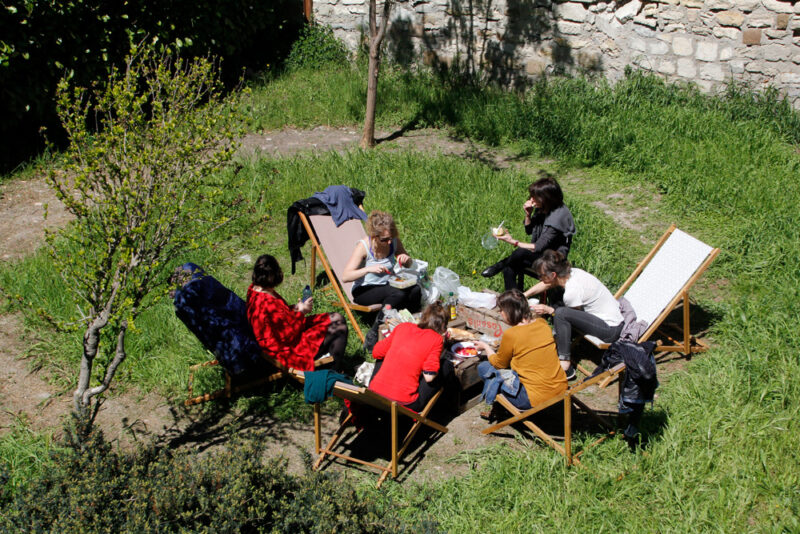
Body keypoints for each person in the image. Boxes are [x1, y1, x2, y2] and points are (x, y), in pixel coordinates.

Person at [524, 250, 624, 380]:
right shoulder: (572, 273)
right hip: (611, 318)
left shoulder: (571, 292)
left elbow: (572, 316)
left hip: (610, 329)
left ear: (553, 275)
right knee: (559, 308)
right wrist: (525, 295)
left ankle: (565, 366)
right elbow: (546, 284)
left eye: (541, 276)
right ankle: (558, 347)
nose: (540, 279)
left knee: (560, 313)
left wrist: (549, 310)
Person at [246, 254, 348, 372]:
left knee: (335, 317)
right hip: (286, 350)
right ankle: (332, 373)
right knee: (339, 327)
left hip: (289, 334)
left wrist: (295, 308)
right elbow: (286, 335)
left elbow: (279, 319)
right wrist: (301, 312)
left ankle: (330, 364)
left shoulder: (256, 290)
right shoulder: (265, 303)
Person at [475, 289, 567, 415]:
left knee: (484, 367)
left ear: (509, 311)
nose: (500, 313)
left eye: (501, 310)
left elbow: (499, 364)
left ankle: (502, 407)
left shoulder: (511, 334)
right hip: (560, 389)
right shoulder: (542, 323)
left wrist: (486, 347)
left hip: (532, 399)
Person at [481, 172, 576, 291]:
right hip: (541, 253)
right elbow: (529, 230)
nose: (531, 200)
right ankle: (514, 301)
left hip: (553, 259)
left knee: (520, 252)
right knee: (509, 268)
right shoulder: (543, 208)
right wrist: (528, 214)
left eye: (534, 197)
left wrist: (513, 241)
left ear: (546, 198)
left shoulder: (557, 218)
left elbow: (537, 247)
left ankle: (500, 264)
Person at [341, 210, 420, 350]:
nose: (388, 242)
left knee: (416, 289)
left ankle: (411, 326)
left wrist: (406, 260)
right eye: (384, 240)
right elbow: (346, 276)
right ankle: (375, 332)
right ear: (374, 236)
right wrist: (368, 269)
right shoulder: (364, 247)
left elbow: (408, 263)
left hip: (387, 285)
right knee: (398, 293)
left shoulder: (393, 242)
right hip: (364, 290)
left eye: (390, 238)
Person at [368, 302, 449, 412]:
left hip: (374, 395)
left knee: (383, 355)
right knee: (446, 366)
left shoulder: (403, 327)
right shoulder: (436, 339)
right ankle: (446, 407)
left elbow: (376, 352)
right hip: (403, 403)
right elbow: (429, 376)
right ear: (443, 326)